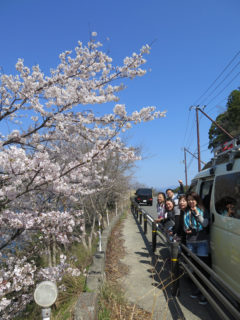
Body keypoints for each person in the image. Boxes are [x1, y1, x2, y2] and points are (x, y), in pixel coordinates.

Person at [184, 192, 209, 305]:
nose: (190, 202)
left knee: (202, 268)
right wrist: (186, 230)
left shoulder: (203, 210)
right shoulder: (186, 212)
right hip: (190, 242)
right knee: (194, 267)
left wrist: (197, 213)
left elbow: (204, 224)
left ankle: (204, 294)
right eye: (189, 200)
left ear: (197, 200)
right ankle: (197, 290)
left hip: (201, 242)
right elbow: (185, 225)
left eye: (192, 199)